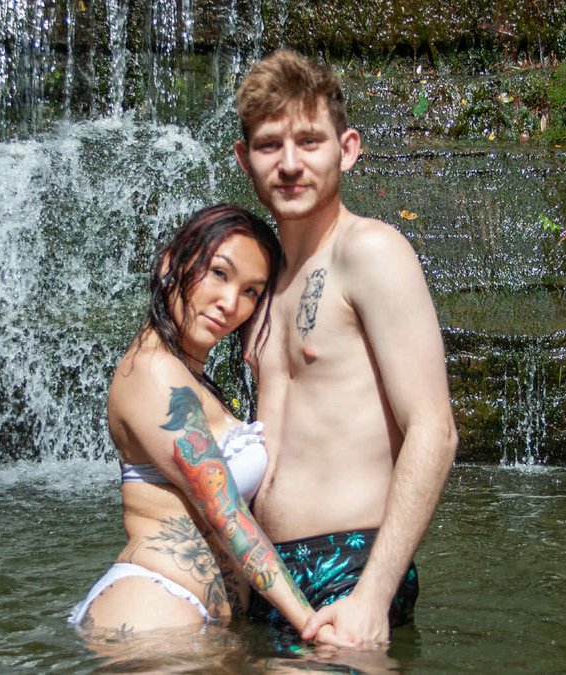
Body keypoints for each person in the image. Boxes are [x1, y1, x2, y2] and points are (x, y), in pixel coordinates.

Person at [233, 50, 459, 648]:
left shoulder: (370, 252)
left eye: (309, 141)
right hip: (265, 576)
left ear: (347, 149)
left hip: (350, 568)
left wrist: (373, 597)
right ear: (244, 159)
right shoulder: (260, 283)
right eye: (269, 145)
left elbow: (434, 431)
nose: (289, 164)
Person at [69, 203, 345, 645]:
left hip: (199, 626)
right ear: (170, 265)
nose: (230, 304)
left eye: (251, 291)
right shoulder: (154, 373)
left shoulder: (190, 377)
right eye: (219, 273)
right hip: (150, 613)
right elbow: (226, 515)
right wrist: (309, 623)